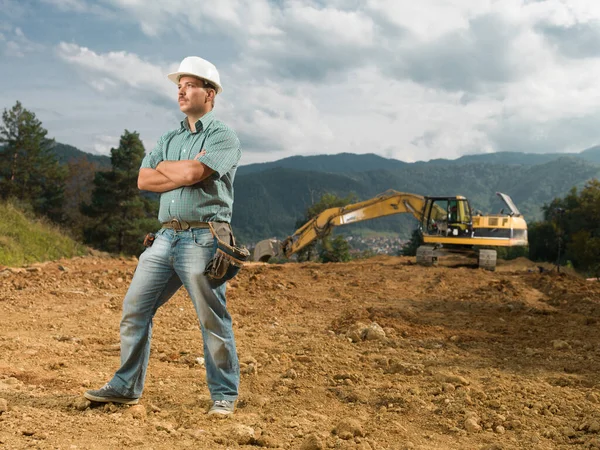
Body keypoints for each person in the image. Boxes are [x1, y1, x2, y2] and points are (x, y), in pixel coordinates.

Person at [84, 56, 241, 416]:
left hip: (204, 239)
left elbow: (194, 171)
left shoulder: (223, 136)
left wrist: (173, 170)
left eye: (190, 85)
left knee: (211, 318)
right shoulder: (169, 137)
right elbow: (144, 179)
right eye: (179, 86)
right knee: (135, 310)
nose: (182, 92)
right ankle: (125, 387)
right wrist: (180, 171)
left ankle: (224, 394)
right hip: (164, 238)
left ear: (210, 93)